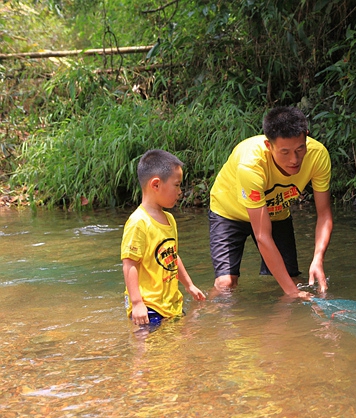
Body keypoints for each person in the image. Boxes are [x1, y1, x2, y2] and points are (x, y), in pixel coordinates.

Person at [208, 106, 333, 298]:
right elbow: (262, 235)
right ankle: (200, 315)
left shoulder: (318, 156)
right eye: (285, 152)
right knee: (226, 283)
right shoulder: (251, 165)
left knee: (293, 280)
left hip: (276, 212)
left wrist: (318, 258)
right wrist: (292, 292)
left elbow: (324, 214)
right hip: (229, 212)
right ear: (269, 146)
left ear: (306, 136)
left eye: (300, 149)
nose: (294, 159)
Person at [121, 149, 206, 327]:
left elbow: (172, 256)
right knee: (149, 351)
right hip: (148, 306)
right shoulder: (138, 222)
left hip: (170, 303)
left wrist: (189, 285)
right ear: (156, 185)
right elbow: (130, 264)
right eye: (176, 185)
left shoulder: (170, 219)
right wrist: (137, 303)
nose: (180, 191)